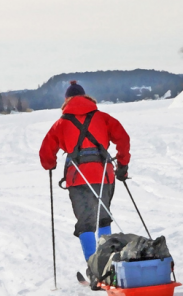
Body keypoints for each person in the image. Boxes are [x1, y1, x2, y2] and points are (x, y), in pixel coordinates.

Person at [39, 80, 130, 262]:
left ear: (66, 100)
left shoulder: (61, 123)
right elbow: (123, 138)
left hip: (78, 178)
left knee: (86, 223)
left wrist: (50, 164)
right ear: (86, 97)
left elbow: (45, 152)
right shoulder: (103, 118)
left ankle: (93, 267)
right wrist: (122, 165)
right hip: (104, 175)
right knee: (103, 218)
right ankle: (108, 264)